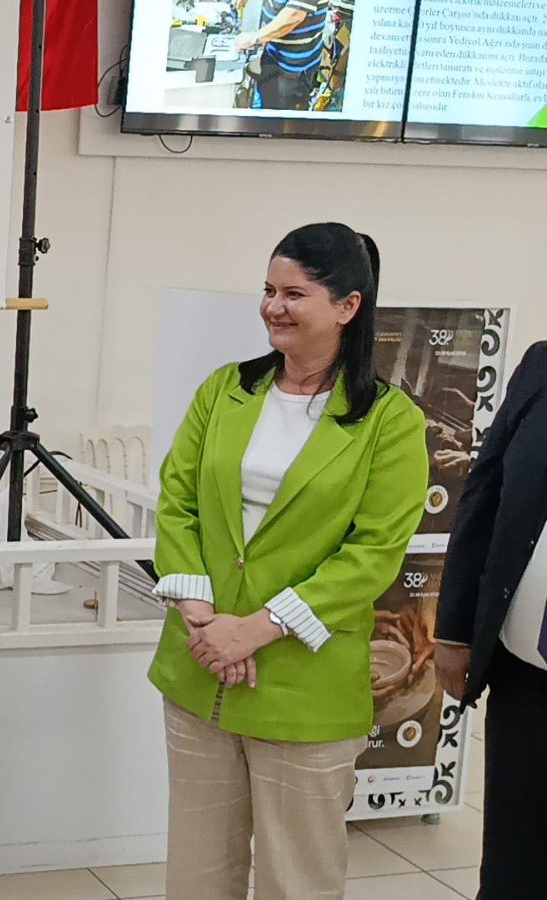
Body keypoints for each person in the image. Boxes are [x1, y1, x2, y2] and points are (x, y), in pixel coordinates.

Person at [150, 223, 428, 900]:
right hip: (199, 668)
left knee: (296, 878)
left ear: (348, 306)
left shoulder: (389, 420)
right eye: (269, 290)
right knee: (197, 872)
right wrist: (203, 615)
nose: (273, 306)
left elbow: (372, 554)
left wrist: (256, 629)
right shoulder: (226, 390)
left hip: (306, 684)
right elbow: (177, 500)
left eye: (294, 294)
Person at [435, 340, 547, 899]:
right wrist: (455, 630)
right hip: (525, 671)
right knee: (513, 864)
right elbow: (486, 490)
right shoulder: (542, 366)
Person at [238, 0, 326, 110]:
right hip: (272, 52)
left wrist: (255, 37)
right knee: (267, 105)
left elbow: (294, 15)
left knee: (282, 116)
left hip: (293, 69)